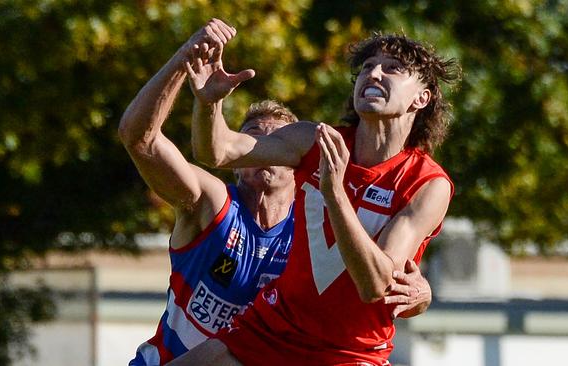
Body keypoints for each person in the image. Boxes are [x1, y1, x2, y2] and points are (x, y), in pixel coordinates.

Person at [173, 19, 460, 365]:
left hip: (349, 353)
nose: (374, 74)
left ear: (421, 98)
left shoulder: (428, 183)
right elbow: (217, 151)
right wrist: (208, 103)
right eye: (367, 67)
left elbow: (374, 285)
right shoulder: (315, 140)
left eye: (393, 69)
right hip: (271, 329)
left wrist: (335, 194)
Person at [119, 23, 297, 364]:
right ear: (236, 158)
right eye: (251, 138)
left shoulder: (313, 228)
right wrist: (183, 59)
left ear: (296, 162)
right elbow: (138, 138)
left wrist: (420, 295)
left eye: (274, 142)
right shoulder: (213, 203)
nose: (260, 147)